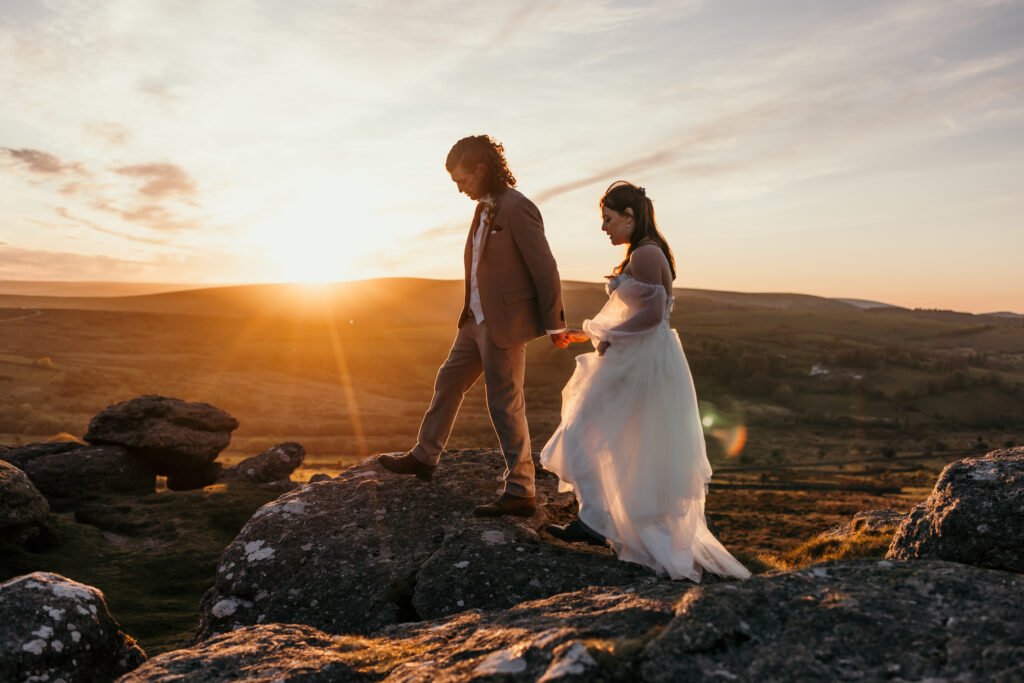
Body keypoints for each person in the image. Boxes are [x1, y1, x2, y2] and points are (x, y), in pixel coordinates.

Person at [540, 181, 750, 582]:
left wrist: (606, 336)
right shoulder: (643, 251)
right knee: (613, 436)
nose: (604, 227)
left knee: (591, 428)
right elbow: (631, 313)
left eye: (608, 218)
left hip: (642, 360)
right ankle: (598, 519)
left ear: (630, 216)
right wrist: (588, 333)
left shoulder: (647, 252)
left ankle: (598, 522)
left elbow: (653, 315)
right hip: (637, 356)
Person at [378, 135, 569, 517]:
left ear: (481, 169)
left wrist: (554, 325)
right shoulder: (481, 208)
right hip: (474, 321)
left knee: (504, 404)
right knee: (448, 380)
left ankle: (521, 490)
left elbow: (545, 268)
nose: (460, 188)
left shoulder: (519, 208)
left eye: (461, 180)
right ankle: (424, 456)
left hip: (505, 325)